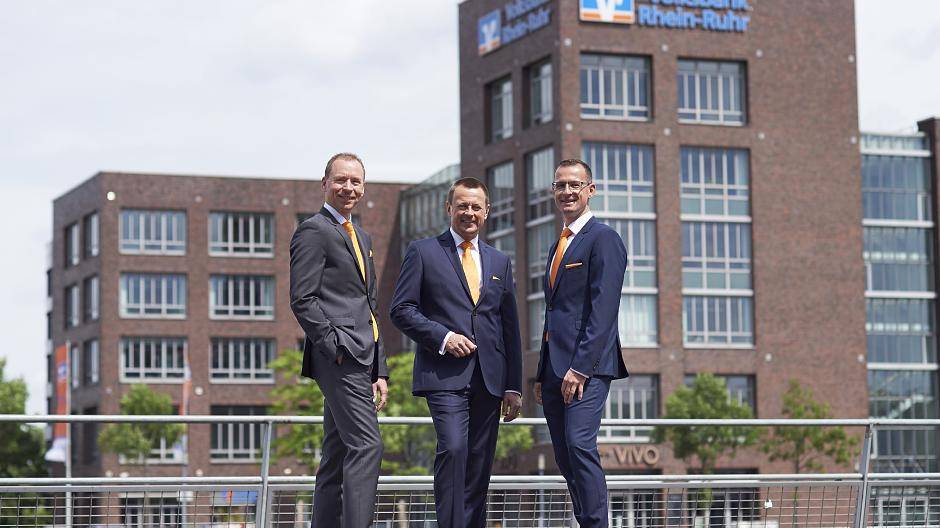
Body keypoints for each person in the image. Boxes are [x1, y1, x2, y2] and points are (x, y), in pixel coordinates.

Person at [390, 176, 523, 528]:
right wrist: (444, 337)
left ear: (487, 211)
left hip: (490, 380)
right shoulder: (423, 252)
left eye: (476, 206)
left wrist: (513, 385)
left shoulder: (500, 261)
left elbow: (510, 328)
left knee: (479, 463)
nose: (469, 212)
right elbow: (401, 309)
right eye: (462, 205)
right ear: (448, 208)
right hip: (443, 375)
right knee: (453, 449)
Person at [289, 152, 389, 528]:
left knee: (337, 454)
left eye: (356, 181)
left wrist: (379, 368)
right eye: (341, 180)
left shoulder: (361, 236)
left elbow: (369, 307)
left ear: (363, 188)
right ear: (325, 184)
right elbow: (302, 299)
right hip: (340, 356)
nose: (349, 187)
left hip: (362, 357)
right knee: (367, 445)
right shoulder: (313, 230)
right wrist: (336, 347)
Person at [534, 159, 628, 528]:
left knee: (579, 444)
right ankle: (587, 521)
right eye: (560, 185)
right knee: (563, 455)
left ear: (591, 190)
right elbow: (554, 314)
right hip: (554, 370)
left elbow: (603, 311)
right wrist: (542, 372)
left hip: (585, 368)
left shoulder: (603, 239)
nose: (567, 191)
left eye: (575, 184)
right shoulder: (557, 245)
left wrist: (580, 367)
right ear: (553, 191)